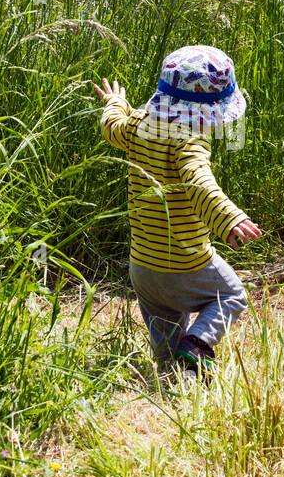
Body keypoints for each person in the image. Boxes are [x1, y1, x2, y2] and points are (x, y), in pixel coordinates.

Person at [95, 44, 262, 379]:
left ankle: (177, 376)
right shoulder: (189, 140)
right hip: (185, 263)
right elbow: (199, 183)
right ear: (210, 111)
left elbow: (111, 125)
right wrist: (229, 218)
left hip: (143, 268)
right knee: (231, 295)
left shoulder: (137, 126)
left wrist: (115, 102)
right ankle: (199, 345)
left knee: (169, 348)